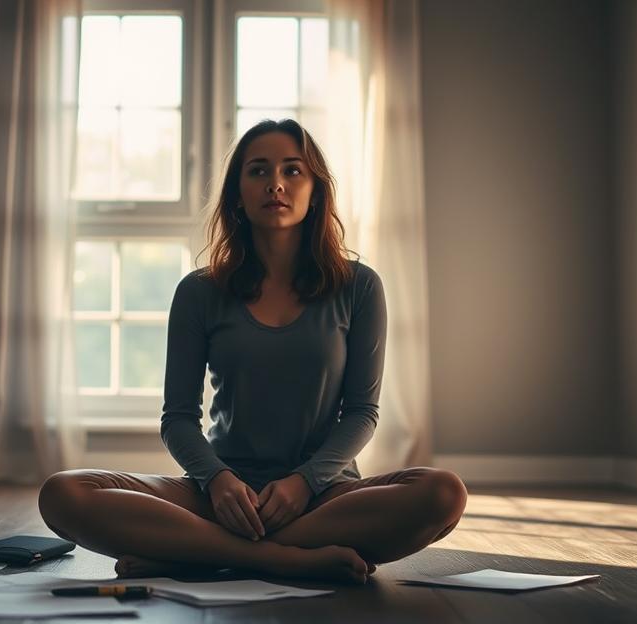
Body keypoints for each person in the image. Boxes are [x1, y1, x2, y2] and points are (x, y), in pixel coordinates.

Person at [38, 119, 467, 584]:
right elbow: (178, 418)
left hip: (324, 495)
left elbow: (362, 412)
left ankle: (197, 554)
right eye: (258, 171)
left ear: (316, 191)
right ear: (237, 193)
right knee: (64, 493)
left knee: (442, 493)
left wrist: (305, 482)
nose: (276, 184)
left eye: (292, 171)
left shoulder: (360, 286)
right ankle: (281, 559)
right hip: (220, 494)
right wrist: (218, 480)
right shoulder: (198, 292)